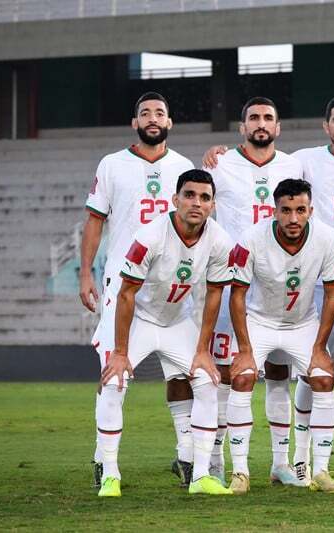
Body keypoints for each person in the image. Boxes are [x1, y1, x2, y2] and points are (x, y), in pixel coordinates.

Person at [202, 95, 334, 486]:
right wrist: (216, 153)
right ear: (326, 126)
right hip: (273, 284)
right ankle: (233, 464)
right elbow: (215, 183)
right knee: (240, 374)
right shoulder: (294, 162)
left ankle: (324, 464)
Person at [82, 92, 197, 489]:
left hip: (171, 286)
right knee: (114, 374)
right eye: (144, 113)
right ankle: (106, 462)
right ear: (135, 123)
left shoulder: (184, 167)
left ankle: (186, 457)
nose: (152, 118)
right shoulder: (112, 164)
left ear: (169, 122)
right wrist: (86, 273)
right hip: (123, 283)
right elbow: (95, 221)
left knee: (184, 373)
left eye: (159, 113)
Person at [96, 169, 233, 497]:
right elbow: (126, 295)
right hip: (136, 318)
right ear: (175, 199)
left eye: (204, 197)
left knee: (207, 381)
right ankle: (109, 475)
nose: (196, 203)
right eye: (189, 195)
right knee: (114, 382)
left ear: (213, 205)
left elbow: (214, 294)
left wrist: (202, 349)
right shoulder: (150, 235)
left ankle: (201, 476)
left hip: (176, 319)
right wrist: (120, 352)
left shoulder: (220, 240)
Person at [204, 96, 304, 485]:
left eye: (268, 118)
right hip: (233, 280)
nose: (261, 123)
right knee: (227, 373)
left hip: (279, 282)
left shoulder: (294, 165)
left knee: (279, 372)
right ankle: (215, 461)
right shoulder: (220, 164)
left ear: (278, 127)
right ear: (242, 126)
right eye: (254, 118)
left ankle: (280, 463)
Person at [226, 179, 334, 495]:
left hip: (302, 324)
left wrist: (319, 347)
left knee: (323, 378)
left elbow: (333, 294)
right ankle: (240, 471)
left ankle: (320, 470)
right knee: (243, 377)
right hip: (260, 322)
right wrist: (245, 349)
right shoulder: (251, 239)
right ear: (274, 211)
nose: (294, 218)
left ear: (310, 210)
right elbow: (237, 295)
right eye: (286, 210)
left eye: (300, 210)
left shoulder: (327, 238)